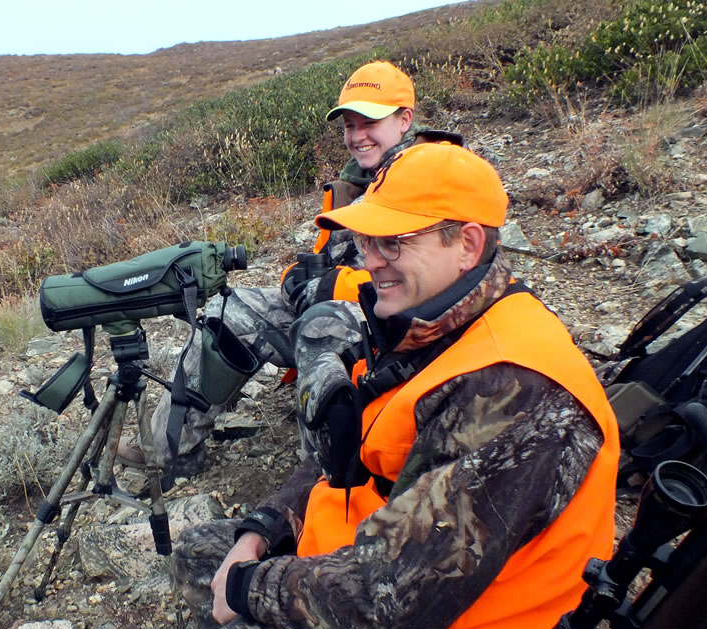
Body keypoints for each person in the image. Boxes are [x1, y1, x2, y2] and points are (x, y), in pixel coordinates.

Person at [0, 142, 620, 629]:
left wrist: (255, 589)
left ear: (469, 243)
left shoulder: (513, 390)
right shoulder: (427, 324)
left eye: (398, 240)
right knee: (202, 550)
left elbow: (396, 601)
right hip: (388, 578)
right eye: (366, 238)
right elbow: (347, 460)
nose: (373, 257)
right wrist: (258, 529)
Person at [120, 60, 462, 480]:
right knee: (231, 310)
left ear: (404, 118)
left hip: (404, 324)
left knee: (322, 325)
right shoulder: (356, 180)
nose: (357, 136)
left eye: (370, 121)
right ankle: (171, 453)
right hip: (346, 304)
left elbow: (434, 275)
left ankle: (321, 486)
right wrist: (300, 277)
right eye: (349, 125)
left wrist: (335, 287)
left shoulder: (435, 175)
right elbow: (331, 259)